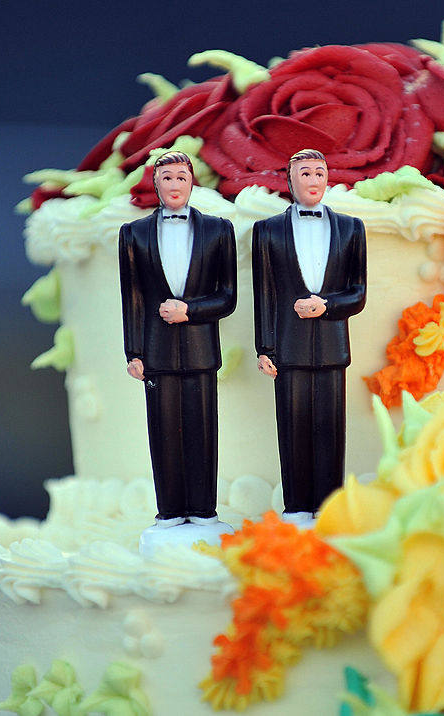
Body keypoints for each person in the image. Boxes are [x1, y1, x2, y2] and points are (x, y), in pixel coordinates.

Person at [118, 151, 237, 530]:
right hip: (156, 351)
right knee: (164, 430)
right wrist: (134, 351)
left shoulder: (219, 230)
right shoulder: (133, 234)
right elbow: (132, 299)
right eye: (167, 178)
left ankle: (203, 508)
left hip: (202, 349)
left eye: (181, 178)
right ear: (156, 184)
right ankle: (169, 509)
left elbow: (228, 297)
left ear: (192, 183)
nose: (174, 185)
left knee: (203, 429)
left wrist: (190, 310)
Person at [252, 149, 367, 525]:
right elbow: (264, 294)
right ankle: (297, 506)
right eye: (305, 173)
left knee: (331, 429)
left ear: (328, 178)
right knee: (293, 427)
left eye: (319, 172)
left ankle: (330, 507)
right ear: (290, 180)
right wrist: (264, 347)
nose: (313, 179)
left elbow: (358, 293)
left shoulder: (352, 228)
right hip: (287, 346)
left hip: (333, 346)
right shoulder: (267, 231)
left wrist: (327, 305)